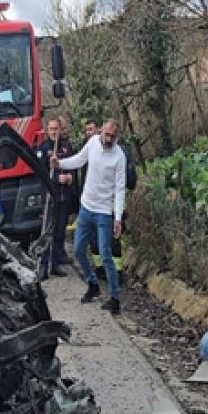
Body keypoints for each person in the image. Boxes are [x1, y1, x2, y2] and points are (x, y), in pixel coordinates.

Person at [51, 120, 127, 315]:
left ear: (116, 137)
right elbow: (78, 160)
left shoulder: (119, 157)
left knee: (105, 254)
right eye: (106, 135)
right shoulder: (93, 143)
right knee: (77, 250)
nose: (108, 139)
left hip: (103, 211)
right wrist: (60, 164)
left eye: (112, 137)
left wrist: (117, 217)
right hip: (86, 207)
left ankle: (114, 296)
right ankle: (92, 283)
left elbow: (120, 189)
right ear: (101, 132)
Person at [35, 118, 75, 277]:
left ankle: (56, 263)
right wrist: (56, 178)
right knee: (47, 231)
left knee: (60, 231)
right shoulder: (42, 149)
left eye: (56, 129)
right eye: (51, 129)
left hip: (63, 197)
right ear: (48, 130)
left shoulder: (65, 147)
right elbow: (40, 173)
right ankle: (43, 265)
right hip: (49, 197)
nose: (53, 132)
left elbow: (72, 165)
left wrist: (70, 177)